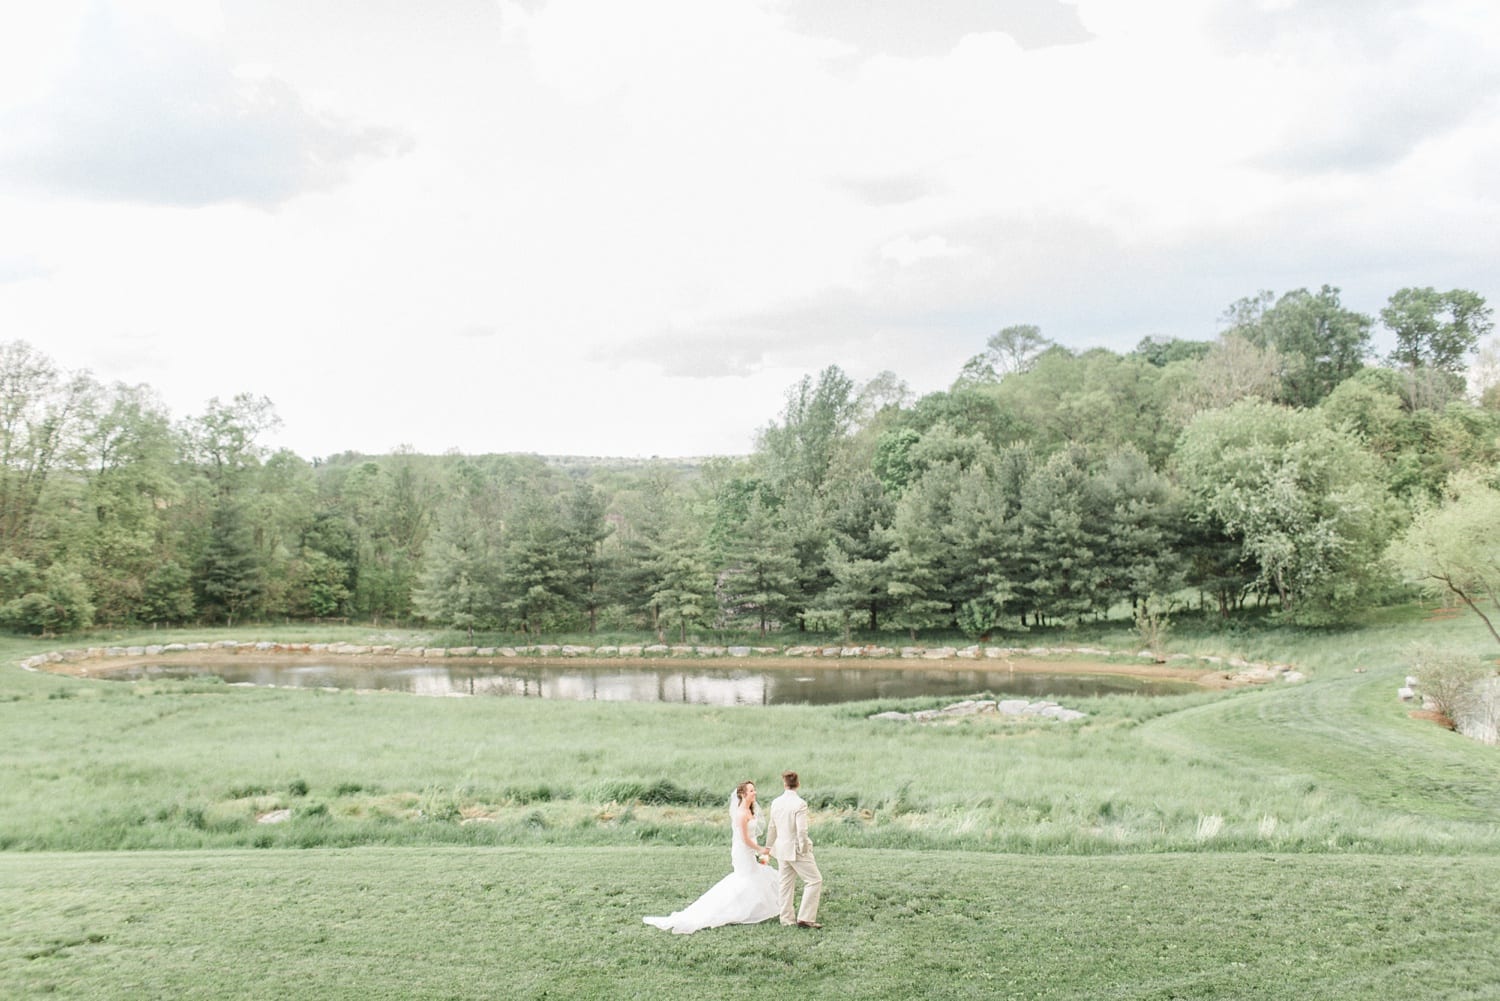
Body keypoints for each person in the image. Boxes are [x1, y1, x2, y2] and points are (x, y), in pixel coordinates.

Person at [643, 779, 780, 934]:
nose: (754, 793)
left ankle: (754, 908)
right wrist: (760, 849)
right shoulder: (741, 814)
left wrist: (757, 849)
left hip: (750, 850)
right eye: (751, 791)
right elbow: (744, 839)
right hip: (743, 851)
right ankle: (728, 909)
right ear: (742, 794)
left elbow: (751, 835)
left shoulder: (750, 810)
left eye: (754, 790)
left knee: (754, 878)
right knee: (745, 879)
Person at [765, 770, 823, 929]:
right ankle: (805, 917)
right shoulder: (800, 804)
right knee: (814, 880)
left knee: (785, 884)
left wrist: (768, 847)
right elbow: (802, 831)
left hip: (781, 849)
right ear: (798, 784)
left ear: (784, 784)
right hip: (796, 849)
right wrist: (804, 849)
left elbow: (772, 827)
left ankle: (786, 919)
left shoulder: (776, 802)